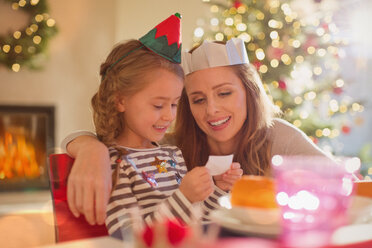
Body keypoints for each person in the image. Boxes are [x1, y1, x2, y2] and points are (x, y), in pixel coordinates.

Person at [62, 38, 328, 225]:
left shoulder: (276, 135)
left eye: (224, 93)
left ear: (249, 93)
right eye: (198, 99)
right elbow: (116, 143)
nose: (212, 110)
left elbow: (339, 182)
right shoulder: (171, 148)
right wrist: (91, 148)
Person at [78, 13, 242, 238]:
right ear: (120, 100)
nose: (168, 116)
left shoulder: (172, 154)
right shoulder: (114, 163)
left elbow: (196, 221)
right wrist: (184, 196)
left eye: (174, 104)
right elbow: (126, 237)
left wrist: (216, 190)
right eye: (158, 105)